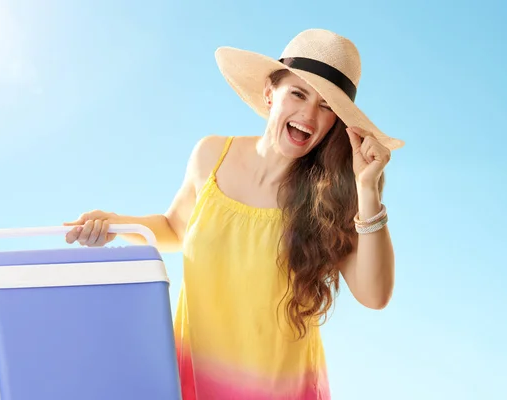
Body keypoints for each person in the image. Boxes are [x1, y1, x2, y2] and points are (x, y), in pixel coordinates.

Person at [64, 28, 404, 400]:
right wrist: (115, 223)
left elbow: (375, 295)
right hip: (194, 380)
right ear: (270, 93)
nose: (308, 113)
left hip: (283, 389)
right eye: (298, 93)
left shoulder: (331, 199)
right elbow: (175, 229)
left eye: (326, 105)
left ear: (335, 123)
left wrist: (367, 189)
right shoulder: (212, 155)